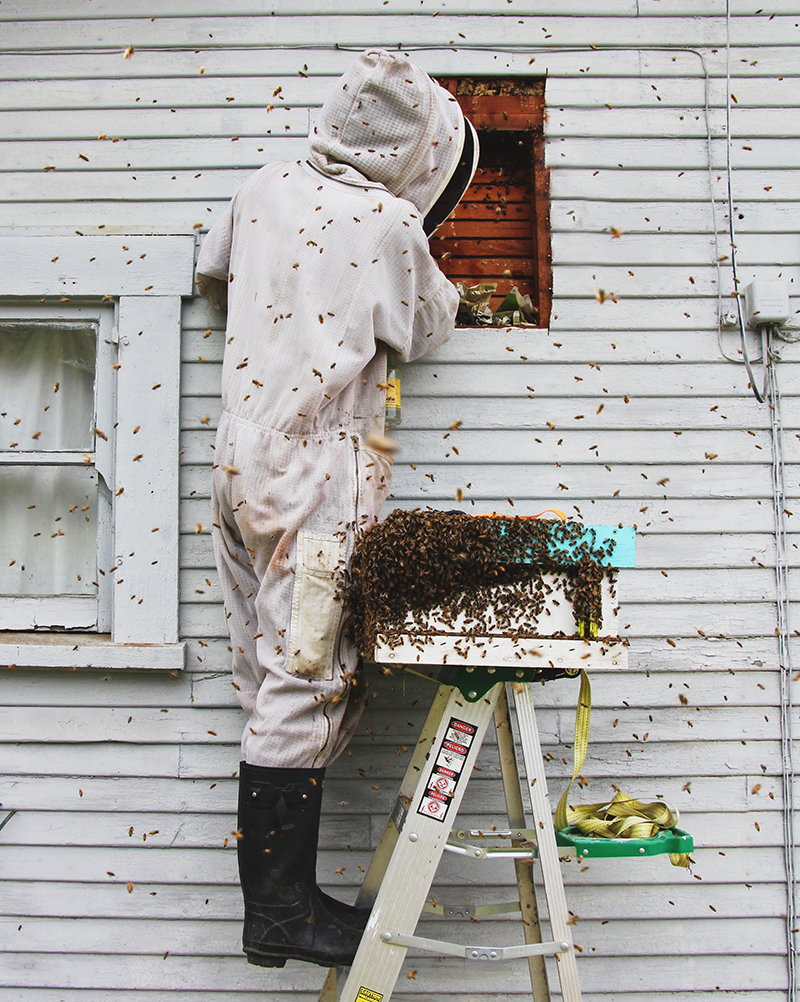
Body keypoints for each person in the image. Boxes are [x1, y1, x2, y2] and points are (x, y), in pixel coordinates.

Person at [195, 48, 478, 970]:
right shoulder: (391, 222)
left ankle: (286, 901)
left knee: (265, 666)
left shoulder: (261, 187)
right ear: (419, 150)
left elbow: (215, 276)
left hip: (238, 457)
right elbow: (429, 326)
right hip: (317, 472)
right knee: (309, 674)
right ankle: (278, 917)